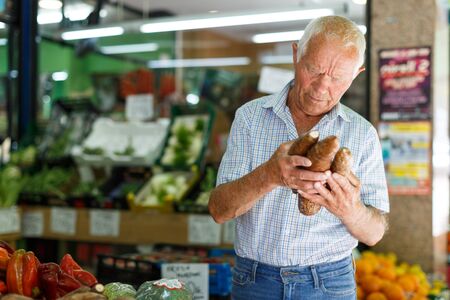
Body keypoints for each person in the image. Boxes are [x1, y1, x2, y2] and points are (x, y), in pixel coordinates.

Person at [208, 15, 389, 300]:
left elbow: (374, 233)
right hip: (255, 280)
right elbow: (219, 210)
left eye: (338, 78)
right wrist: (268, 175)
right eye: (313, 70)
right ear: (296, 54)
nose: (321, 88)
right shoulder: (250, 118)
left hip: (329, 283)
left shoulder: (363, 134)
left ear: (356, 74)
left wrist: (349, 208)